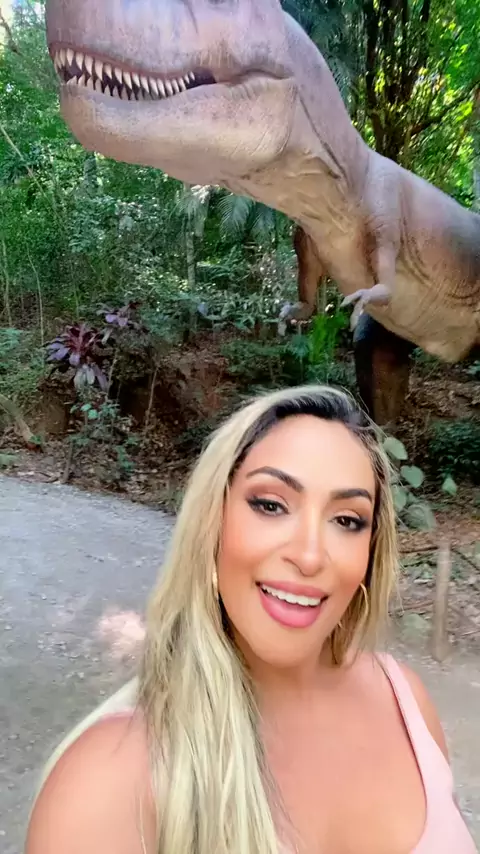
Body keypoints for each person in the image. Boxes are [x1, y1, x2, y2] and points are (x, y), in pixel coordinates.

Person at [25, 384, 476, 854]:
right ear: (212, 523)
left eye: (347, 520)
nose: (309, 556)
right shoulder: (106, 783)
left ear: (371, 550)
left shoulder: (406, 703)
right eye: (270, 505)